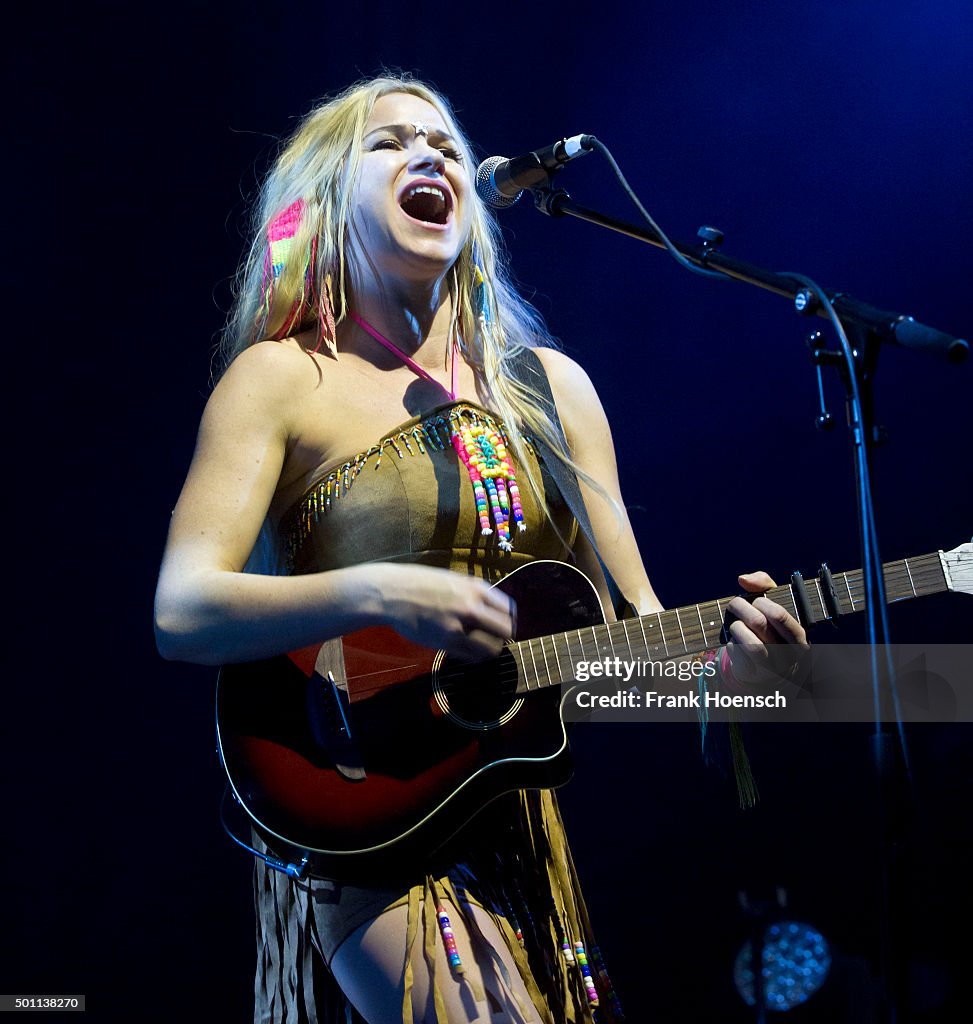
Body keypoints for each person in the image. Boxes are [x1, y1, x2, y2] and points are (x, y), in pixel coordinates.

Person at [154, 75, 808, 1024]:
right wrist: (377, 591)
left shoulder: (553, 390)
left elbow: (635, 642)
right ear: (328, 194)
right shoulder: (282, 379)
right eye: (389, 144)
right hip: (360, 813)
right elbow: (183, 609)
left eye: (446, 144)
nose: (429, 154)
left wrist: (738, 682)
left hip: (515, 824)